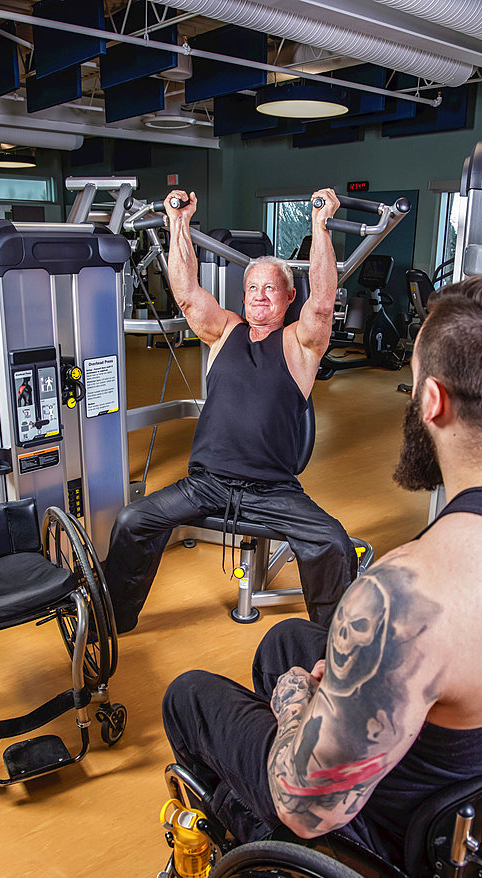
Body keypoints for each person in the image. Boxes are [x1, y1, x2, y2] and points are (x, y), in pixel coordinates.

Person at [162, 275, 482, 878]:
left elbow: (309, 807)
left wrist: (294, 703)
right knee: (285, 637)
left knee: (190, 696)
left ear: (429, 399)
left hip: (413, 860)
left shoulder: (414, 592)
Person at [102, 187, 357, 634]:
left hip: (273, 491)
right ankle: (113, 621)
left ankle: (333, 649)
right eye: (252, 288)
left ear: (287, 296)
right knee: (132, 520)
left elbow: (322, 301)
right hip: (207, 485)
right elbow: (185, 293)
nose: (260, 296)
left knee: (332, 541)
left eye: (271, 289)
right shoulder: (223, 333)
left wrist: (320, 227)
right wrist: (177, 222)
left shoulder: (300, 343)